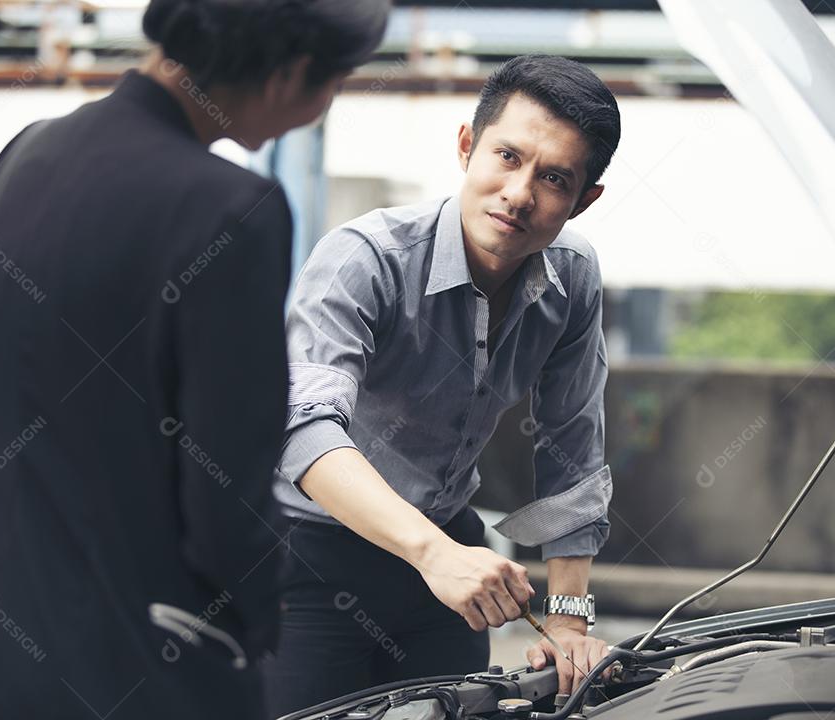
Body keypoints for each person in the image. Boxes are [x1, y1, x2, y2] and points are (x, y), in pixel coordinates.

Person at [0, 1, 388, 718]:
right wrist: (254, 628)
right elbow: (224, 491)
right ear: (290, 74)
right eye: (335, 85)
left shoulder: (25, 152)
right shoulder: (233, 209)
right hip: (138, 667)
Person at [264, 54, 621, 714]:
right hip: (311, 556)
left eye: (553, 178)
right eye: (507, 157)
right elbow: (302, 429)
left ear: (583, 200)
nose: (520, 192)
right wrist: (434, 554)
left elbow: (571, 448)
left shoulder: (574, 279)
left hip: (447, 557)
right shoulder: (364, 258)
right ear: (466, 147)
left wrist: (570, 619)